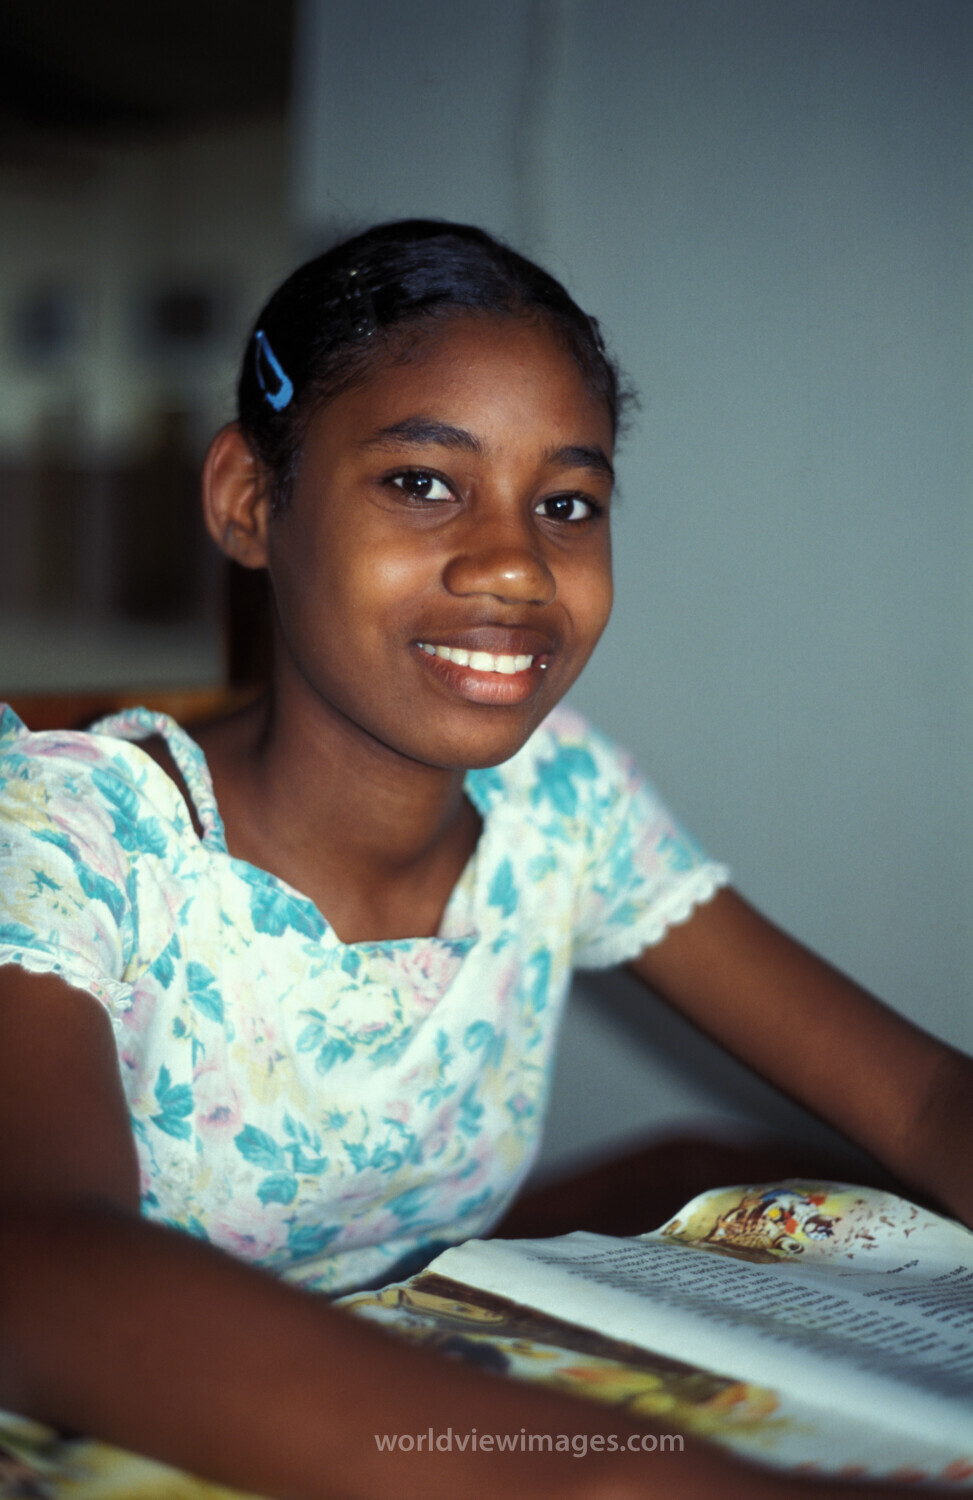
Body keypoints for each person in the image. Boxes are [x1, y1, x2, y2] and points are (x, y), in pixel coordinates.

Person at [0, 219, 970, 1500]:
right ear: (249, 499)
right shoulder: (71, 840)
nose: (516, 562)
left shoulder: (562, 809)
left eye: (566, 503)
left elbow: (912, 1103)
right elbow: (43, 1266)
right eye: (421, 481)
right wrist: (617, 1480)